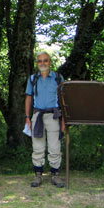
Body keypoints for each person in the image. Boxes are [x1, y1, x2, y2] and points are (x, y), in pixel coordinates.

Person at [24, 52, 65, 188]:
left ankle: (55, 175)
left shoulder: (58, 78)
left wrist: (64, 120)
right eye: (40, 61)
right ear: (37, 63)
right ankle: (38, 175)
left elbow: (64, 100)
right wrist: (27, 117)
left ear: (50, 62)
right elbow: (28, 98)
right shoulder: (32, 79)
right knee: (37, 146)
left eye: (45, 61)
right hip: (37, 116)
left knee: (55, 147)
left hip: (54, 116)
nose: (42, 63)